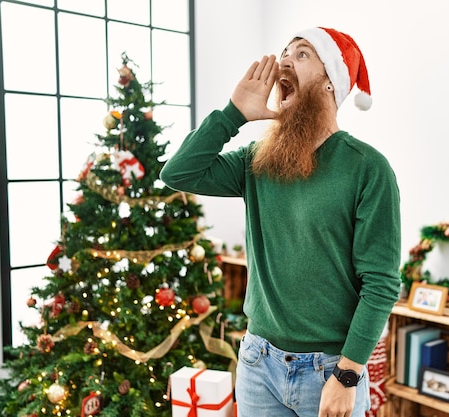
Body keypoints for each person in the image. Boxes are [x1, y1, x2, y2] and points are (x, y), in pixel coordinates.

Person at [160, 26, 401, 417]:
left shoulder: (367, 168)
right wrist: (232, 114)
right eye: (285, 51)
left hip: (329, 370)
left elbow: (381, 283)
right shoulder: (257, 159)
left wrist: (348, 375)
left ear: (330, 83)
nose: (284, 60)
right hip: (258, 362)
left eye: (303, 53)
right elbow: (178, 173)